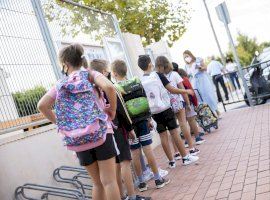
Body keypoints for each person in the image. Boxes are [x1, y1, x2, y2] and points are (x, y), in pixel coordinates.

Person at [37, 44, 120, 200]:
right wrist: (113, 110)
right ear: (81, 60)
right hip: (100, 131)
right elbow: (109, 87)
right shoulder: (90, 75)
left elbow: (42, 106)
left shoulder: (61, 84)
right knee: (109, 181)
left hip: (78, 138)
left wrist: (62, 124)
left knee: (96, 184)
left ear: (65, 64)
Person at [90, 59, 151, 200]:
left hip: (102, 131)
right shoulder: (108, 86)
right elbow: (121, 109)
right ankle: (131, 196)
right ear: (104, 71)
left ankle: (122, 196)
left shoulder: (92, 89)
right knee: (124, 162)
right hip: (116, 128)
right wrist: (129, 128)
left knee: (116, 165)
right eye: (107, 70)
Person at [110, 59, 170, 192]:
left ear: (114, 73)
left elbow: (121, 110)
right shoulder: (136, 82)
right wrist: (148, 118)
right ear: (126, 70)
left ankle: (141, 183)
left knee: (135, 153)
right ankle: (158, 179)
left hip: (130, 126)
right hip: (143, 120)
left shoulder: (116, 89)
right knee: (148, 150)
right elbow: (145, 100)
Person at [138, 55, 199, 169]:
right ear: (150, 64)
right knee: (174, 133)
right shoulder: (158, 75)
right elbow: (171, 89)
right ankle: (185, 157)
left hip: (154, 112)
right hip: (165, 108)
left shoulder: (140, 80)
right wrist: (186, 91)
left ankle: (171, 161)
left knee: (163, 136)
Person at [156, 56, 200, 160]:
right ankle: (191, 148)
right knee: (183, 124)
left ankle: (176, 152)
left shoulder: (158, 76)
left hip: (167, 104)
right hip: (178, 102)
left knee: (173, 129)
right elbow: (182, 89)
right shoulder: (175, 74)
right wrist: (188, 103)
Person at [183, 50, 218, 116]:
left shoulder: (198, 60)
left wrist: (200, 67)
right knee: (199, 97)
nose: (186, 58)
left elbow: (205, 68)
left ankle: (215, 111)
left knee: (208, 95)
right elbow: (187, 75)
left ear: (190, 55)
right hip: (194, 82)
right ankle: (208, 114)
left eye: (187, 56)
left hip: (202, 80)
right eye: (185, 57)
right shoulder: (186, 66)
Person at [177, 67, 206, 144]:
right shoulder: (184, 80)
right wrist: (195, 103)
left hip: (178, 104)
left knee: (183, 123)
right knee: (191, 120)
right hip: (187, 102)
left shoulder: (171, 80)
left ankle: (187, 141)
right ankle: (197, 138)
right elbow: (191, 92)